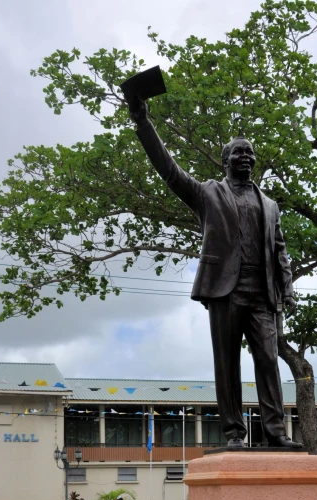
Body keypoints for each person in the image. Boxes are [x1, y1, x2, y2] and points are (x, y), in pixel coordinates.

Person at [129, 95, 301, 450]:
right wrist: (143, 124)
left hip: (262, 292)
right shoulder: (207, 194)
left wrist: (287, 290)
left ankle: (275, 431)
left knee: (269, 360)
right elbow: (170, 171)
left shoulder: (270, 205)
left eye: (250, 152)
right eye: (239, 152)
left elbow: (280, 251)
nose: (246, 157)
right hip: (225, 289)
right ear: (225, 161)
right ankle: (234, 432)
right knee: (227, 363)